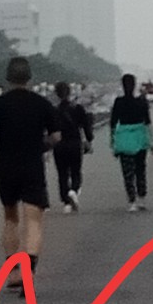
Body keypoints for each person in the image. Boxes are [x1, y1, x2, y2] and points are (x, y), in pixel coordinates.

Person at [0, 57, 61, 295]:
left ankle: (13, 272)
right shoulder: (41, 104)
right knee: (33, 220)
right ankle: (29, 271)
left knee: (10, 217)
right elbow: (56, 137)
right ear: (29, 78)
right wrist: (41, 146)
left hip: (6, 166)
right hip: (32, 166)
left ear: (8, 78)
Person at [111, 73, 153, 211]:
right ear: (135, 85)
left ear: (122, 85)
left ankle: (132, 200)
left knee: (127, 172)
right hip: (140, 137)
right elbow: (147, 122)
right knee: (140, 168)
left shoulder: (118, 102)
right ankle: (142, 197)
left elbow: (113, 123)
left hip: (124, 138)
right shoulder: (141, 102)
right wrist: (151, 142)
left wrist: (113, 142)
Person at [53, 82, 94, 213]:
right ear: (70, 93)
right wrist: (89, 139)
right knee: (76, 171)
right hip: (75, 143)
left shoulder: (54, 110)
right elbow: (86, 125)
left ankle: (66, 202)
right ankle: (73, 191)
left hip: (59, 145)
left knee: (62, 174)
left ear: (56, 94)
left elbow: (49, 130)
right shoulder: (78, 109)